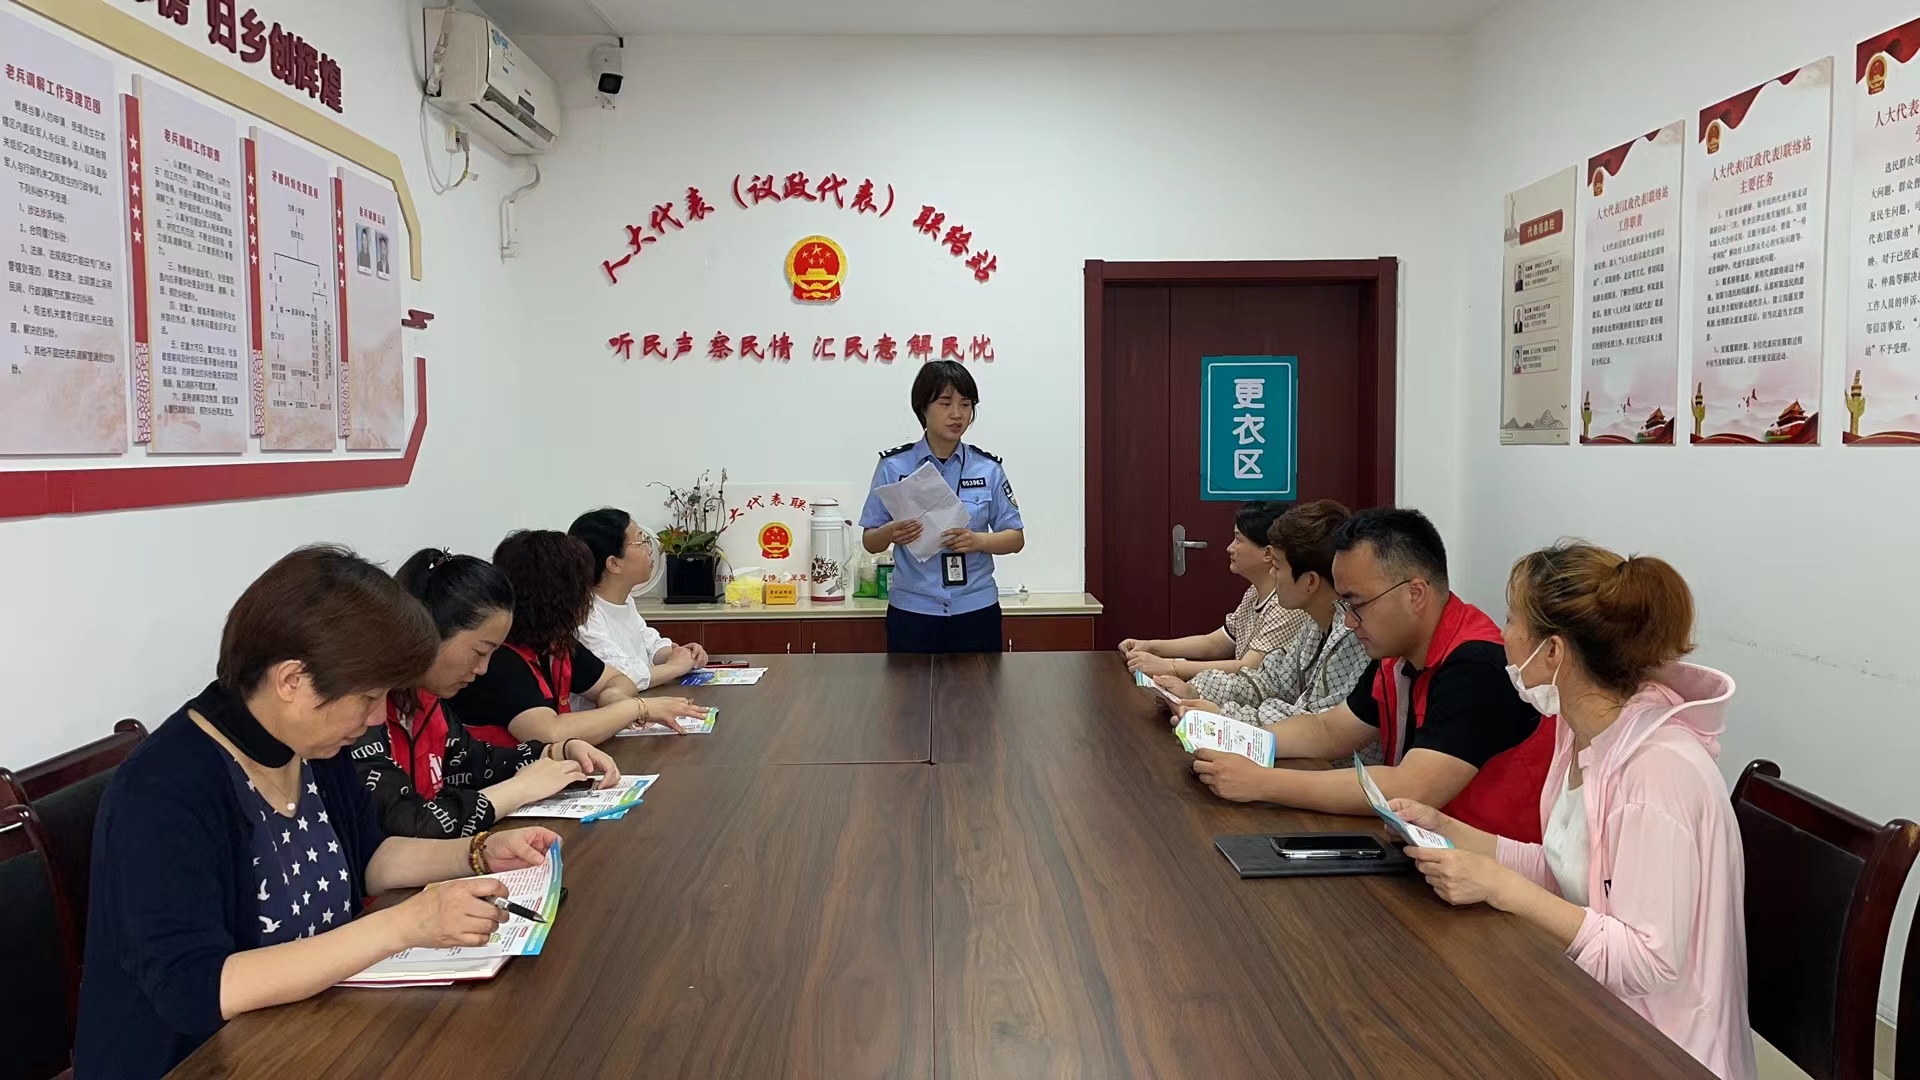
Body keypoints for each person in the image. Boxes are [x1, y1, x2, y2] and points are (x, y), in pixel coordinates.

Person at [75, 547, 562, 1079]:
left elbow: (369, 857)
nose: (377, 717)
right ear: (292, 680)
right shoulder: (165, 789)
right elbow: (197, 989)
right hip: (198, 1060)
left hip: (313, 1031)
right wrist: (405, 925)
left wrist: (476, 853)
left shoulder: (313, 746)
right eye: (368, 697)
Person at [1391, 543, 1754, 1080]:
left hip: (1663, 1048)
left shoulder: (1658, 773)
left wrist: (1501, 887)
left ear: (1554, 652)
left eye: (1511, 619)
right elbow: (1570, 867)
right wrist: (1450, 831)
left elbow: (1647, 963)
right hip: (1596, 1009)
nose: (1502, 634)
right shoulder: (1581, 733)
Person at [1188, 507, 1554, 843]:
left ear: (1415, 594)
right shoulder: (1396, 654)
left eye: (1357, 604)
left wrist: (1262, 782)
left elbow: (1411, 786)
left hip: (1488, 873)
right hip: (1424, 853)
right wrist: (1237, 739)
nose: (1348, 621)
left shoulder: (1477, 665)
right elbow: (1330, 731)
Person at [351, 550, 621, 839]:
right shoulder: (363, 715)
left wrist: (557, 751)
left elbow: (479, 762)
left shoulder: (426, 701)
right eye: (480, 651)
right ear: (428, 632)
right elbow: (408, 823)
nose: (483, 669)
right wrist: (518, 789)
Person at [449, 530, 708, 746]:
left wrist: (612, 697)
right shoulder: (497, 658)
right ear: (557, 597)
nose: (588, 598)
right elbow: (550, 733)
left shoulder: (555, 643)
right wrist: (636, 708)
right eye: (582, 588)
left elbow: (617, 680)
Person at [1153, 500, 1371, 751]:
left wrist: (1225, 717)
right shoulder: (1316, 625)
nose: (1272, 574)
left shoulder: (1353, 636)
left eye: (1277, 567)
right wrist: (1195, 691)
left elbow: (1314, 726)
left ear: (1310, 582)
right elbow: (1269, 682)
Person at [860, 360, 1025, 653]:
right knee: (910, 685)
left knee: (981, 684)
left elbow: (1015, 538)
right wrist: (890, 532)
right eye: (945, 403)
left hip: (976, 609)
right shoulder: (894, 466)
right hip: (913, 611)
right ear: (922, 408)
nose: (957, 414)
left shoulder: (988, 468)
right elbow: (870, 542)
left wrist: (978, 541)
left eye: (966, 404)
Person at [1123, 502, 1304, 682]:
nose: (1230, 548)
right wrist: (1151, 647)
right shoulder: (1254, 592)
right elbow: (1217, 643)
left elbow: (1251, 667)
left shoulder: (1287, 603)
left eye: (1238, 540)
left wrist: (1171, 667)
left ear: (1268, 553)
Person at [570, 507, 709, 688]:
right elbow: (619, 677)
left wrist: (677, 654)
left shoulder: (625, 601)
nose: (650, 549)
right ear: (614, 563)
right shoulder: (585, 617)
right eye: (641, 541)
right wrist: (674, 667)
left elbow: (649, 642)